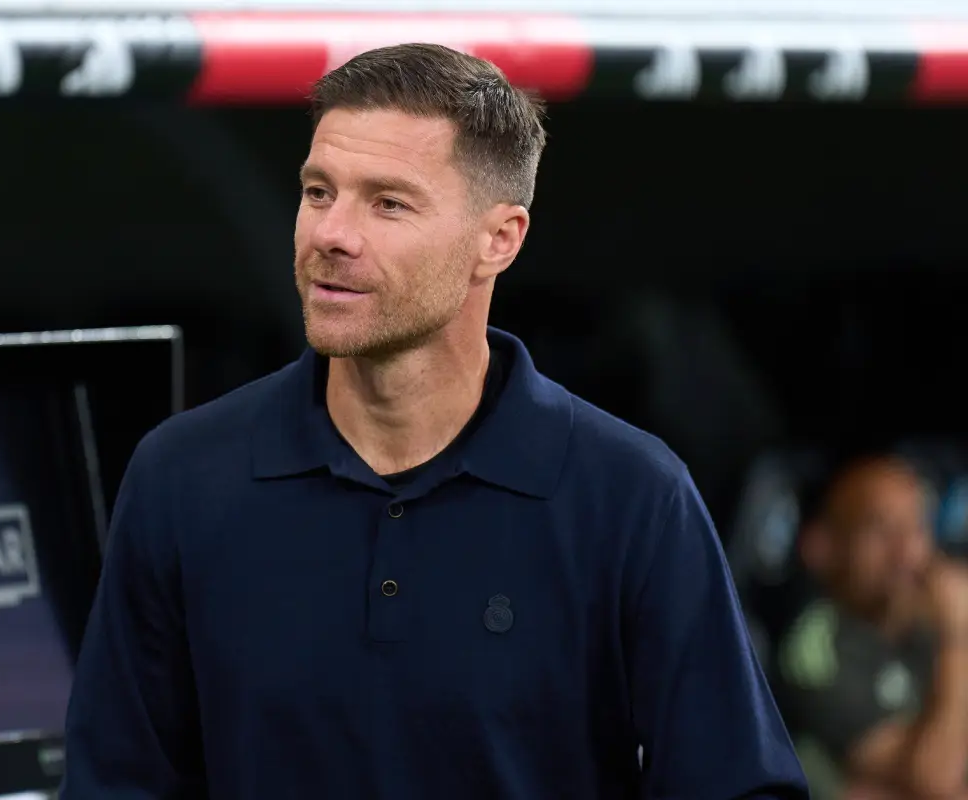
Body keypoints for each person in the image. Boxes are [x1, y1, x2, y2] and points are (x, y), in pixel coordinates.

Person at [60, 43, 806, 799]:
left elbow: (739, 787)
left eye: (388, 203)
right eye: (319, 192)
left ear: (500, 239)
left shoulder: (634, 497)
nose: (332, 234)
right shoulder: (181, 478)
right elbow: (114, 785)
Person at [777, 455, 968, 799]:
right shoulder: (815, 652)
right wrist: (957, 637)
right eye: (881, 530)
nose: (906, 552)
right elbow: (933, 779)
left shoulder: (926, 616)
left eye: (916, 528)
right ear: (828, 546)